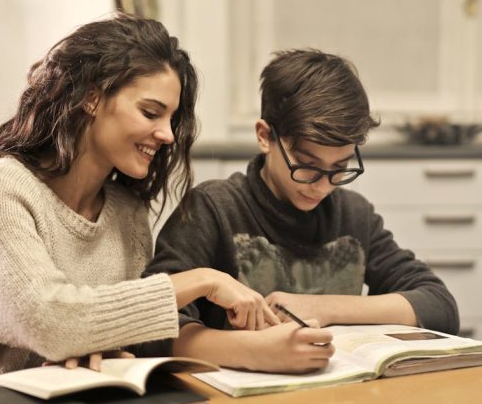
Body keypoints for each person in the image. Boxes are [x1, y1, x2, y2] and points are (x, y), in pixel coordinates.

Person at [0, 13, 277, 393]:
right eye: (150, 112)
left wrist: (100, 349)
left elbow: (106, 337)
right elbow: (51, 323)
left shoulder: (127, 213)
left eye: (171, 118)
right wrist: (203, 279)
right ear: (92, 98)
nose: (165, 134)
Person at [144, 49, 459, 373]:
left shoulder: (354, 215)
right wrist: (252, 351)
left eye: (339, 167)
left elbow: (438, 305)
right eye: (307, 167)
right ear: (265, 136)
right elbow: (148, 326)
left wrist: (321, 307)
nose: (322, 186)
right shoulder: (213, 210)